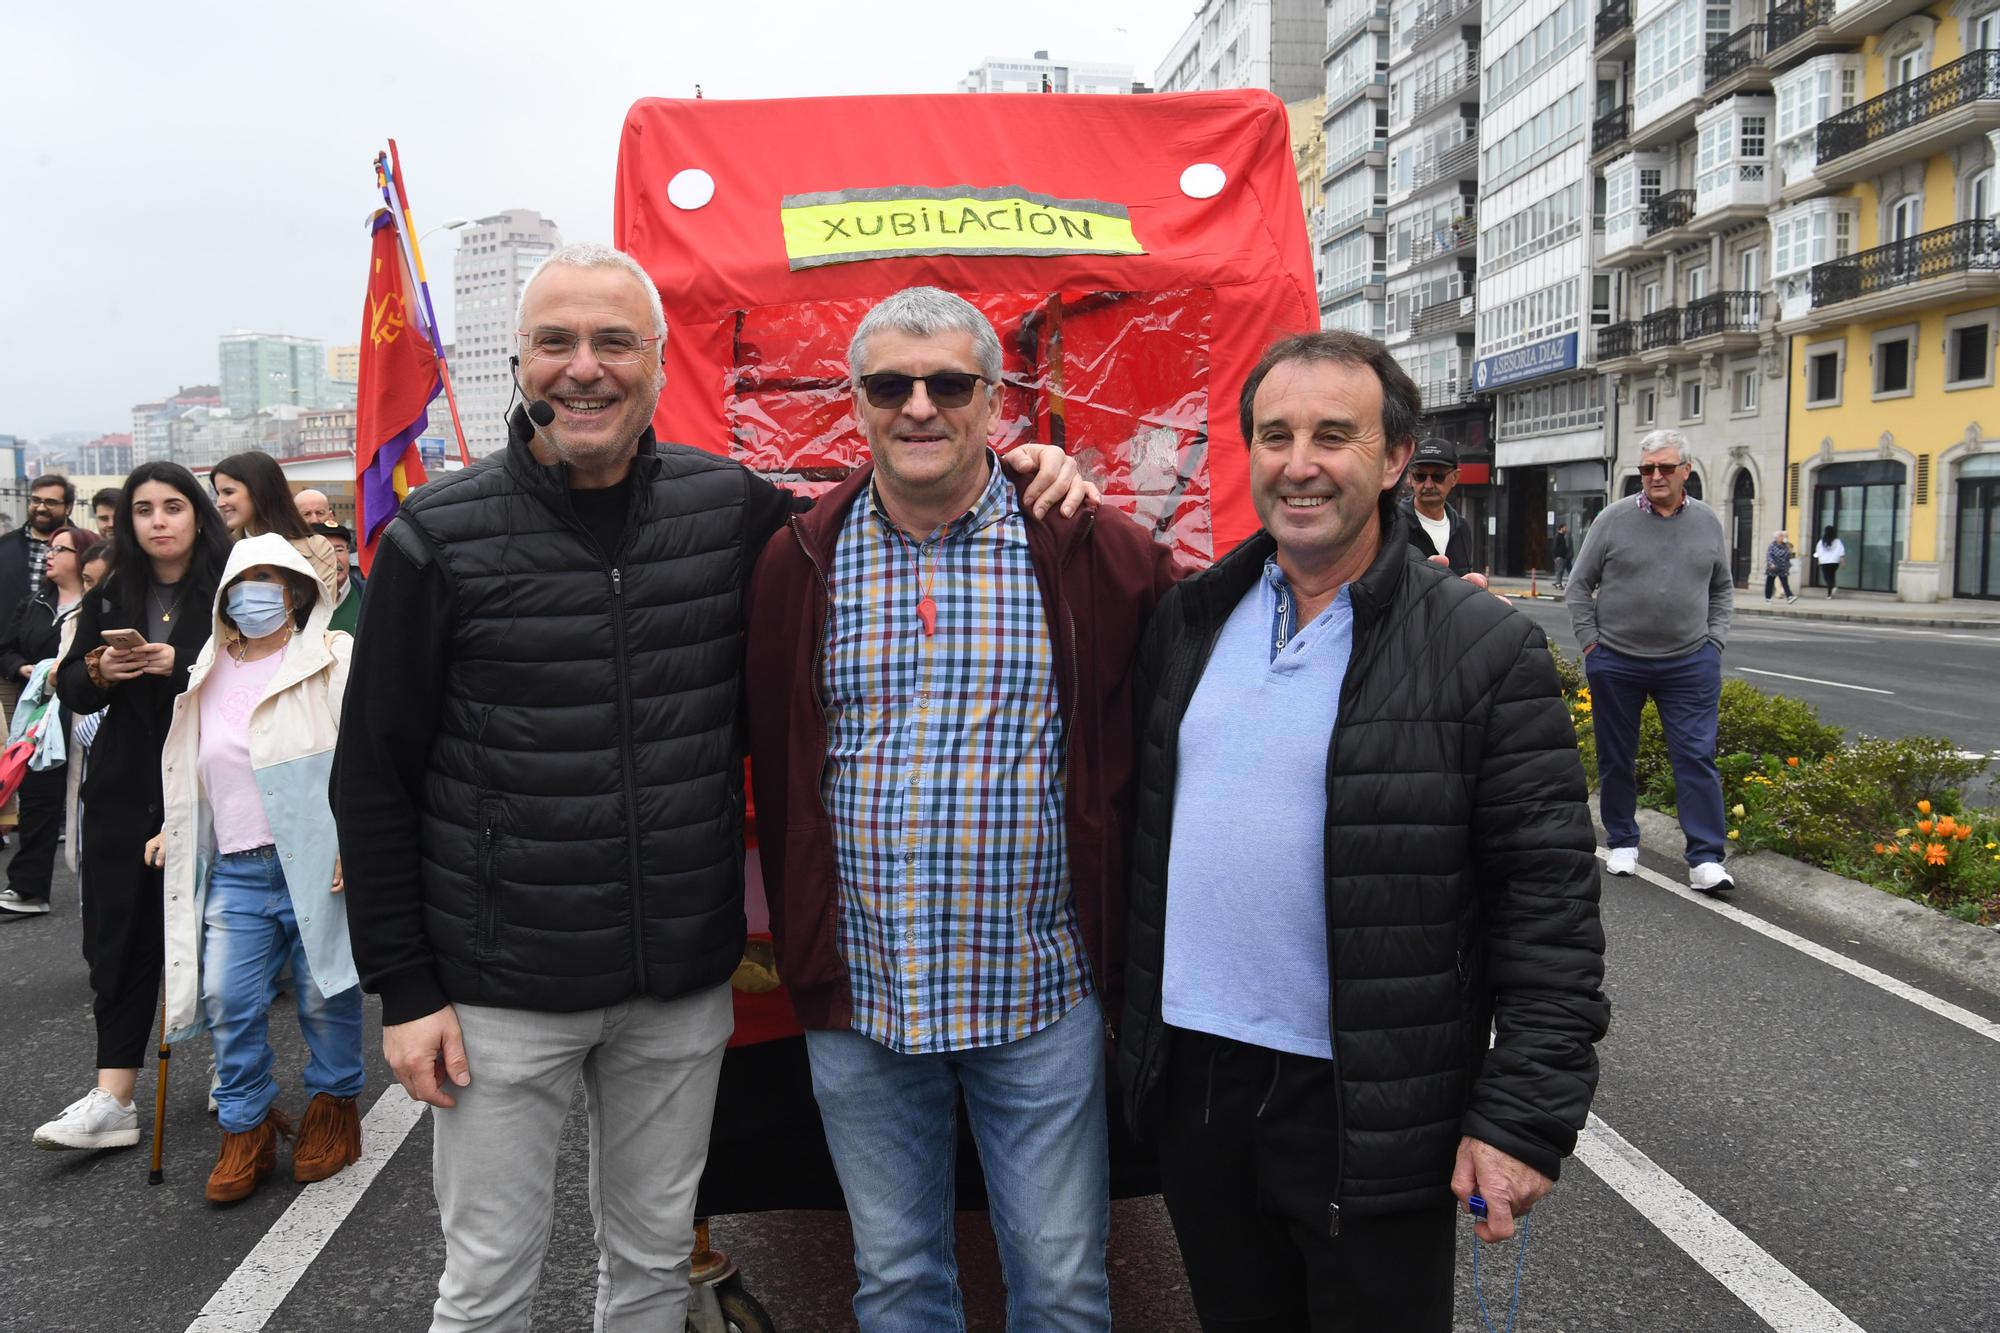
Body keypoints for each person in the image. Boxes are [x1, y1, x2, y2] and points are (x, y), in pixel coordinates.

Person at [334, 243, 1094, 1331]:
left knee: (650, 1267)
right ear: (519, 362)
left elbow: (893, 489)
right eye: (555, 342)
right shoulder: (437, 538)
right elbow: (372, 776)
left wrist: (1031, 467)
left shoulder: (729, 509)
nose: (582, 368)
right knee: (488, 1280)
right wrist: (403, 988)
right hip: (502, 982)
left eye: (611, 342)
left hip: (675, 986)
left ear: (653, 360)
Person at [1117, 330, 1608, 1331]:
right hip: (1198, 1089)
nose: (1298, 463)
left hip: (1366, 1101)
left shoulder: (1481, 649)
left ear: (1392, 461)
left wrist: (1520, 1120)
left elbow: (1546, 908)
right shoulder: (1187, 620)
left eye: (1332, 435)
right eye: (1274, 434)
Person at [745, 286, 1177, 1332]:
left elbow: (1174, 742)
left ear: (995, 400)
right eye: (891, 384)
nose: (919, 406)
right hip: (861, 992)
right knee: (894, 1284)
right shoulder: (796, 561)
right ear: (856, 402)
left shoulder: (1092, 552)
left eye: (948, 382)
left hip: (1038, 990)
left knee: (1065, 1290)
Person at [148, 532, 363, 1203]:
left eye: (270, 577)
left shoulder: (333, 657)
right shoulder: (207, 672)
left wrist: (356, 840)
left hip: (314, 859)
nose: (253, 593)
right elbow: (195, 768)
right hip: (236, 869)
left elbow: (364, 758)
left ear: (298, 588)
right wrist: (172, 827)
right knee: (226, 997)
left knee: (328, 992)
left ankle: (334, 1106)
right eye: (242, 580)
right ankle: (246, 1123)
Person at [34, 463, 230, 1151]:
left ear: (197, 514)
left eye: (172, 506)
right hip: (123, 784)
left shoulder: (233, 582)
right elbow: (73, 689)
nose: (156, 520)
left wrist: (176, 663)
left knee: (220, 932)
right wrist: (99, 670)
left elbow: (262, 671)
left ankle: (229, 1070)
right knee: (118, 937)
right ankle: (114, 1097)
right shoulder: (115, 586)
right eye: (143, 508)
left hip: (210, 780)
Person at [1566, 429, 1735, 892]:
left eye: (1664, 467)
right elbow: (1578, 586)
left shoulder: (1707, 522)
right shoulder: (1612, 520)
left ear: (1686, 471)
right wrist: (1591, 646)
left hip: (1689, 662)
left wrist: (1713, 642)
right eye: (1647, 469)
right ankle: (1622, 840)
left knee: (1696, 757)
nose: (1655, 476)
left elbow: (1721, 587)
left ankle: (1705, 859)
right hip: (1617, 659)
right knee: (1617, 756)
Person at [0, 525, 101, 915]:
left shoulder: (94, 606)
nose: (49, 555)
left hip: (85, 713)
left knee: (88, 799)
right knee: (39, 799)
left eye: (60, 549)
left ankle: (96, 886)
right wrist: (23, 669)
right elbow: (6, 649)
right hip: (43, 716)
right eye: (49, 549)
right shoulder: (34, 603)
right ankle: (28, 888)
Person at [210, 451, 341, 600]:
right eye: (218, 494)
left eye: (228, 492)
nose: (220, 503)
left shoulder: (317, 549)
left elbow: (320, 615)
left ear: (258, 490)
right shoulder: (220, 551)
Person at [1398, 437, 1472, 576]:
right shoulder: (1391, 524)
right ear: (1410, 477)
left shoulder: (1462, 529)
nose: (1428, 485)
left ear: (1455, 478)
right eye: (1420, 476)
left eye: (1438, 476)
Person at [313, 522, 362, 635]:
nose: (334, 560)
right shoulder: (298, 601)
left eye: (339, 550)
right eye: (325, 551)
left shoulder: (368, 596)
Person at [1765, 530, 1798, 603]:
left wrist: (1791, 554)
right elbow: (1769, 555)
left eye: (1782, 536)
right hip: (1773, 567)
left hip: (1782, 567)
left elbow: (1788, 555)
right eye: (1780, 536)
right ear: (1776, 537)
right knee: (1769, 583)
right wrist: (1771, 563)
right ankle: (1768, 598)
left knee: (1785, 583)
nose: (1782, 537)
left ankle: (1789, 597)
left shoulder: (1785, 545)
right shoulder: (1772, 545)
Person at [1814, 524, 1845, 597]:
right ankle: (1829, 594)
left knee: (1827, 577)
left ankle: (1832, 588)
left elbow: (1818, 551)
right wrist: (1842, 561)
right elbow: (1841, 551)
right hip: (1834, 562)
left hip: (1824, 562)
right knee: (1832, 576)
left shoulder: (1821, 542)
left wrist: (1818, 560)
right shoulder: (1837, 541)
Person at [1552, 521, 1573, 589]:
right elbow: (1555, 547)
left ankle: (1558, 583)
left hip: (1562, 556)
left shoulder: (1562, 536)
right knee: (1559, 571)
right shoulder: (1558, 536)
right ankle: (1558, 584)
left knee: (1560, 570)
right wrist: (1557, 556)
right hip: (1559, 556)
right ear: (1561, 528)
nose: (1566, 529)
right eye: (1565, 528)